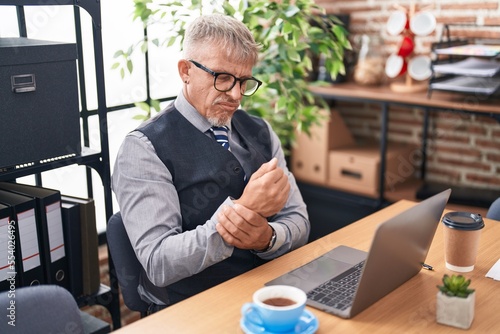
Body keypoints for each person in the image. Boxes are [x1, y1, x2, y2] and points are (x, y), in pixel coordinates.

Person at [112, 14, 310, 311]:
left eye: (244, 81)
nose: (236, 95)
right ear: (186, 71)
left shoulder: (262, 132)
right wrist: (245, 210)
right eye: (223, 78)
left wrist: (268, 239)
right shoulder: (143, 149)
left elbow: (299, 220)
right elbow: (158, 262)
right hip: (196, 307)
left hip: (267, 291)